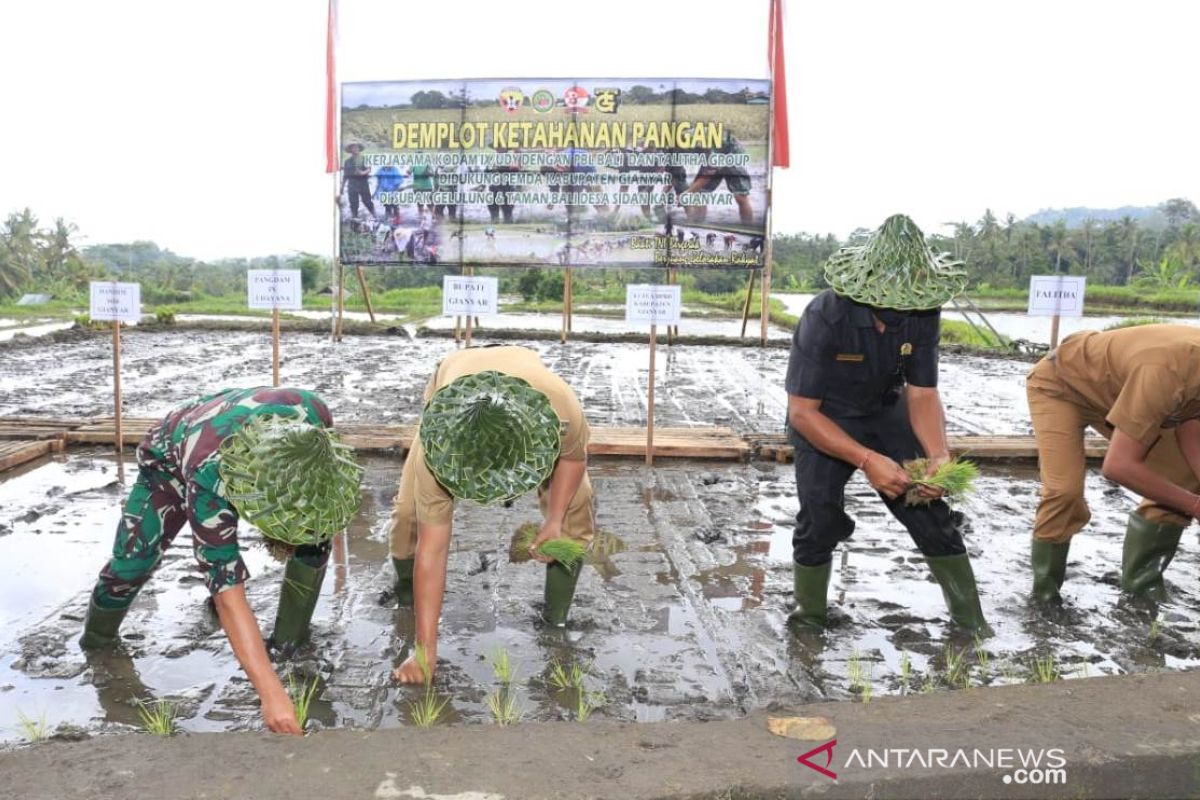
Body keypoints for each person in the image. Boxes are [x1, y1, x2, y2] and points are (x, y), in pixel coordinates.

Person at [79, 387, 363, 734]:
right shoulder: (209, 478)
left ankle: (290, 641)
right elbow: (226, 590)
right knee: (132, 564)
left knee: (315, 530)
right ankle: (97, 641)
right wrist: (271, 693)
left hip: (254, 449)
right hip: (172, 458)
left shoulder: (314, 414)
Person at [784, 214, 989, 633]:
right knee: (819, 516)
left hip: (886, 409)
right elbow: (802, 411)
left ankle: (971, 622)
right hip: (826, 415)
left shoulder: (923, 313)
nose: (902, 307)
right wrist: (865, 459)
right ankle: (809, 618)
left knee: (929, 509)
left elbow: (922, 392)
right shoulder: (826, 317)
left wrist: (938, 456)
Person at [386, 346, 594, 683]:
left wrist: (554, 521)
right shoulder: (440, 450)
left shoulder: (559, 407)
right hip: (453, 382)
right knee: (409, 516)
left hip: (528, 390)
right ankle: (407, 599)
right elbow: (433, 550)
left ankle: (556, 619)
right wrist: (425, 654)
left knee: (576, 510)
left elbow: (572, 457)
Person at [1027, 324, 1200, 603]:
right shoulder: (1170, 370)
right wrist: (1193, 505)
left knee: (1183, 477)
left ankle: (1142, 587)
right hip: (1059, 385)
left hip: (1119, 394)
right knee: (1064, 492)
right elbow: (1118, 466)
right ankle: (1045, 593)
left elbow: (1189, 424)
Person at [342, 143, 375, 219]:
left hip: (363, 183)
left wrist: (362, 173)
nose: (355, 149)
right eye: (353, 148)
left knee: (367, 201)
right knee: (353, 202)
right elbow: (345, 175)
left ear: (359, 149)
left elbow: (369, 169)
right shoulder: (347, 161)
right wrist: (342, 187)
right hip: (352, 184)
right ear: (350, 150)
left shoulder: (364, 159)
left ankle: (374, 215)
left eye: (356, 147)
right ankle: (355, 217)